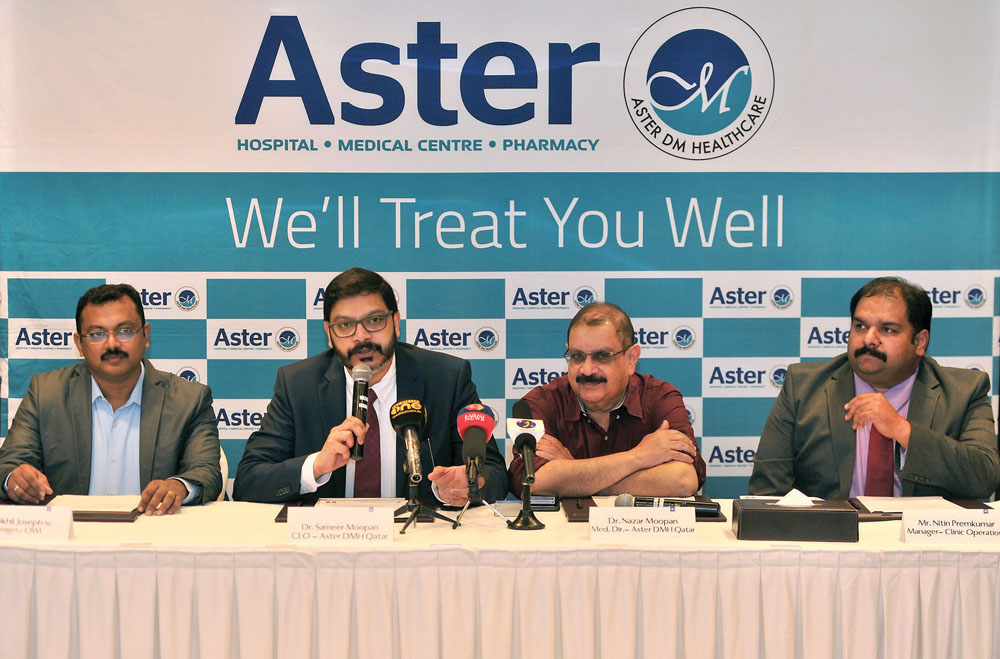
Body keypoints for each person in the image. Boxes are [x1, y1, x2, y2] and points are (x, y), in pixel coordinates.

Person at [233, 267, 507, 505]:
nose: (361, 336)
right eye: (345, 325)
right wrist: (316, 466)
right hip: (326, 539)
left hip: (416, 536)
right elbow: (248, 481)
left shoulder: (446, 378)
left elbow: (495, 474)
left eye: (374, 321)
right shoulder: (297, 384)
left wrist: (466, 484)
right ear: (329, 333)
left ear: (395, 323)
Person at [750, 276, 999, 498]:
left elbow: (984, 479)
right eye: (860, 326)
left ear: (920, 342)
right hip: (831, 533)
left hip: (920, 535)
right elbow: (767, 490)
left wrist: (903, 430)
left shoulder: (963, 392)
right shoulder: (803, 387)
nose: (869, 339)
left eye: (887, 329)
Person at [0, 284, 222, 514]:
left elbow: (205, 471)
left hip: (154, 528)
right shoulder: (46, 394)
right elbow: (9, 463)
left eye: (125, 331)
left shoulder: (190, 400)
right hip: (72, 531)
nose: (112, 344)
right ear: (79, 344)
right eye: (97, 334)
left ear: (145, 335)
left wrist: (179, 487)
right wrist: (15, 478)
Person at [507, 302, 705, 498]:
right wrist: (638, 457)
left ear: (631, 359)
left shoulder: (660, 398)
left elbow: (683, 480)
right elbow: (531, 483)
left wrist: (573, 473)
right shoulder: (539, 404)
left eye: (602, 356)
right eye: (577, 356)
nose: (587, 370)